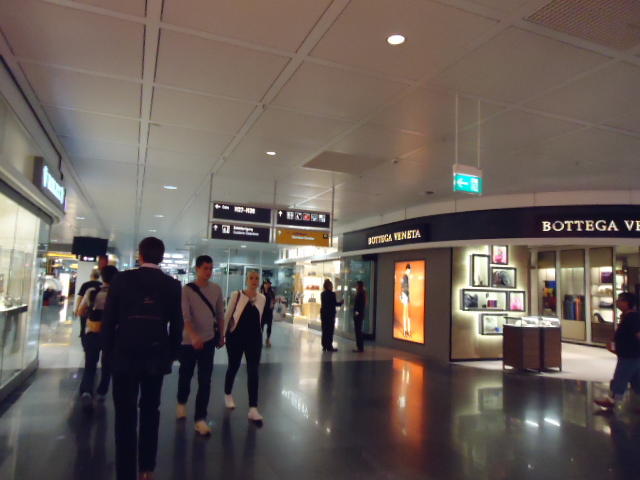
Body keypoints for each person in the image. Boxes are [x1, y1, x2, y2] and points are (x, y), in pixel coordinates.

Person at [102, 237, 183, 480]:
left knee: (124, 415)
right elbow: (176, 324)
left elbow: (109, 321)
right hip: (155, 356)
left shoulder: (121, 280)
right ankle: (147, 467)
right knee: (150, 410)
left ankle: (125, 471)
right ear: (162, 257)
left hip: (124, 355)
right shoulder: (172, 285)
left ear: (140, 255)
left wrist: (108, 354)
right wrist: (172, 354)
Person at [176, 255, 225, 436]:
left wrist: (221, 334)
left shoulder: (216, 289)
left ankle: (200, 418)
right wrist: (193, 335)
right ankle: (182, 401)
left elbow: (220, 314)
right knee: (186, 375)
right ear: (197, 269)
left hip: (208, 341)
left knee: (205, 380)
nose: (208, 272)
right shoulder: (187, 290)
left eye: (211, 268)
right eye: (205, 268)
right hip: (188, 342)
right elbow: (185, 316)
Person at [223, 270, 266, 423]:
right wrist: (222, 335)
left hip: (254, 339)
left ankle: (253, 408)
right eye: (251, 278)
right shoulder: (237, 295)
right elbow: (228, 315)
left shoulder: (262, 298)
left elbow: (260, 318)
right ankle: (228, 393)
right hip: (236, 337)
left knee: (253, 371)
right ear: (246, 280)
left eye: (257, 278)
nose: (254, 281)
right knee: (233, 366)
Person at [78, 265, 118, 410]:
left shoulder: (92, 291)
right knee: (107, 364)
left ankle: (87, 390)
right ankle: (102, 391)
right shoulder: (118, 293)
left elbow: (80, 310)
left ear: (102, 277)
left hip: (93, 332)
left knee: (90, 364)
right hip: (111, 333)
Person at [594, 292, 640, 411]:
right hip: (630, 354)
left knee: (620, 377)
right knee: (636, 379)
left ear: (626, 303)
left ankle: (612, 400)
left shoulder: (633, 318)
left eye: (620, 300)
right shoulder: (628, 317)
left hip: (630, 355)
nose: (617, 302)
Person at [76, 269, 102, 345]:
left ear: (91, 276)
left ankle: (84, 343)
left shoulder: (85, 285)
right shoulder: (101, 285)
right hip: (97, 310)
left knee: (83, 325)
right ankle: (94, 343)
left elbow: (80, 297)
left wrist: (77, 308)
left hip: (85, 309)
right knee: (95, 326)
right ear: (98, 276)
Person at [320, 279, 342, 352]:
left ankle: (324, 346)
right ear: (329, 286)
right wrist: (341, 303)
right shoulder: (332, 294)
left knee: (324, 330)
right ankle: (329, 346)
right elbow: (334, 304)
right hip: (330, 315)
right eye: (331, 285)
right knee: (330, 330)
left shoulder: (322, 294)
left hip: (324, 314)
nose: (332, 287)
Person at [260, 279, 275, 348]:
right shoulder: (260, 292)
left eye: (268, 284)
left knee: (269, 326)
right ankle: (260, 340)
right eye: (266, 284)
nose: (267, 285)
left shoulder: (271, 292)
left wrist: (273, 304)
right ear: (263, 284)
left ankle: (268, 339)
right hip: (262, 312)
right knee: (261, 327)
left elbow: (273, 300)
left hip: (269, 312)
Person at [352, 281, 366, 353]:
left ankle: (360, 347)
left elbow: (360, 306)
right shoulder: (361, 294)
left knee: (358, 331)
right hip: (359, 315)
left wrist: (356, 313)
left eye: (357, 285)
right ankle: (359, 347)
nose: (356, 287)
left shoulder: (360, 294)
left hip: (358, 315)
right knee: (358, 331)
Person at [401, 264, 411, 337]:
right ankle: (406, 331)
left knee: (406, 314)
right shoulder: (405, 276)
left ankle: (406, 331)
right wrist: (406, 297)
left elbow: (403, 287)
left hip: (405, 295)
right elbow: (404, 287)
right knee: (406, 314)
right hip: (405, 295)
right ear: (407, 269)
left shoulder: (405, 276)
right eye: (409, 270)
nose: (410, 271)